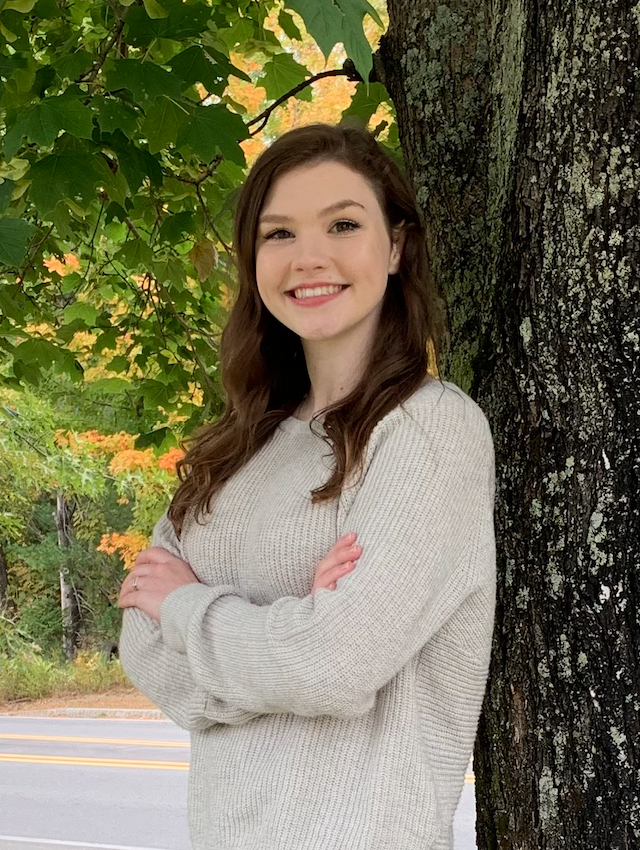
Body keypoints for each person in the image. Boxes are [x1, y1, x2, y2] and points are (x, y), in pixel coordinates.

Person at [118, 122, 496, 850]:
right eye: (279, 233)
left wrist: (191, 606)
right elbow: (142, 647)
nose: (309, 257)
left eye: (344, 224)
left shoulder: (429, 430)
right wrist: (294, 624)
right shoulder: (237, 449)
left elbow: (336, 663)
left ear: (395, 246)